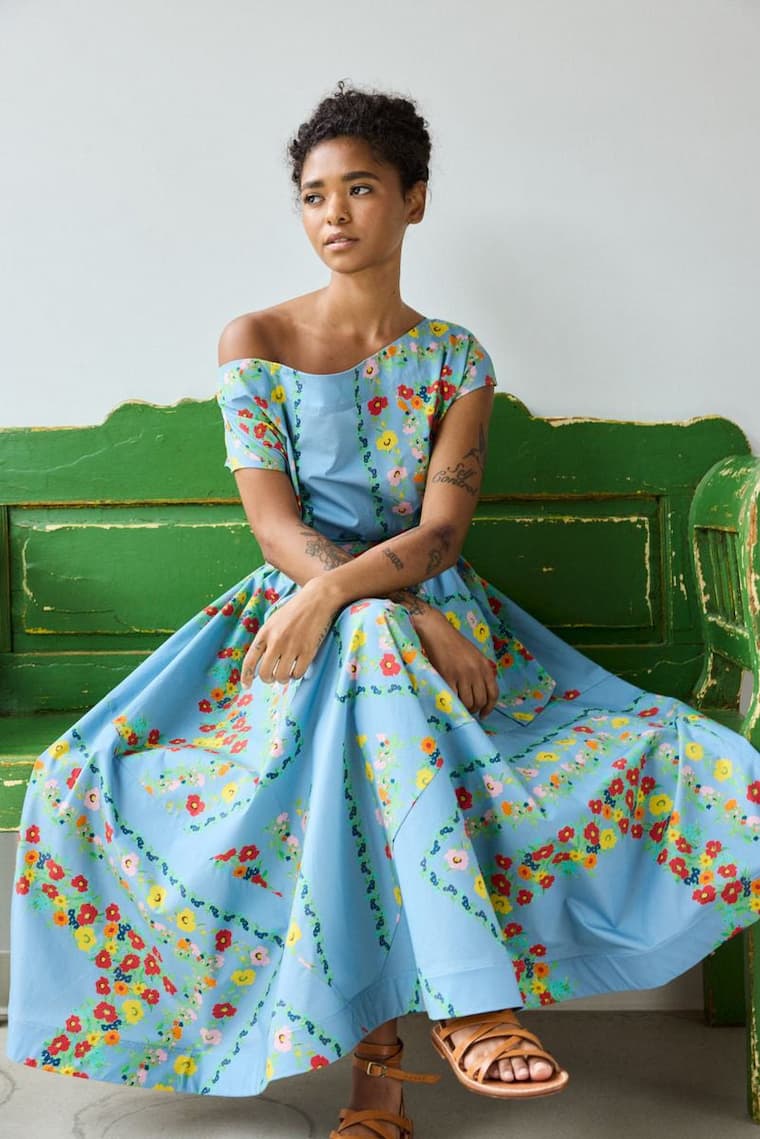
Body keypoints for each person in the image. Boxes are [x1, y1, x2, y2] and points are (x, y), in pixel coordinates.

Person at [7, 82, 760, 1139]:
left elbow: (444, 532)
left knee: (645, 742)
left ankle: (383, 1076)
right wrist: (355, 601)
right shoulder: (254, 337)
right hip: (291, 626)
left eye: (360, 188)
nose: (334, 215)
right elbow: (273, 525)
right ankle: (467, 1001)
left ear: (414, 199)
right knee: (292, 681)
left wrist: (384, 605)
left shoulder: (458, 359)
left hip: (431, 620)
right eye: (314, 195)